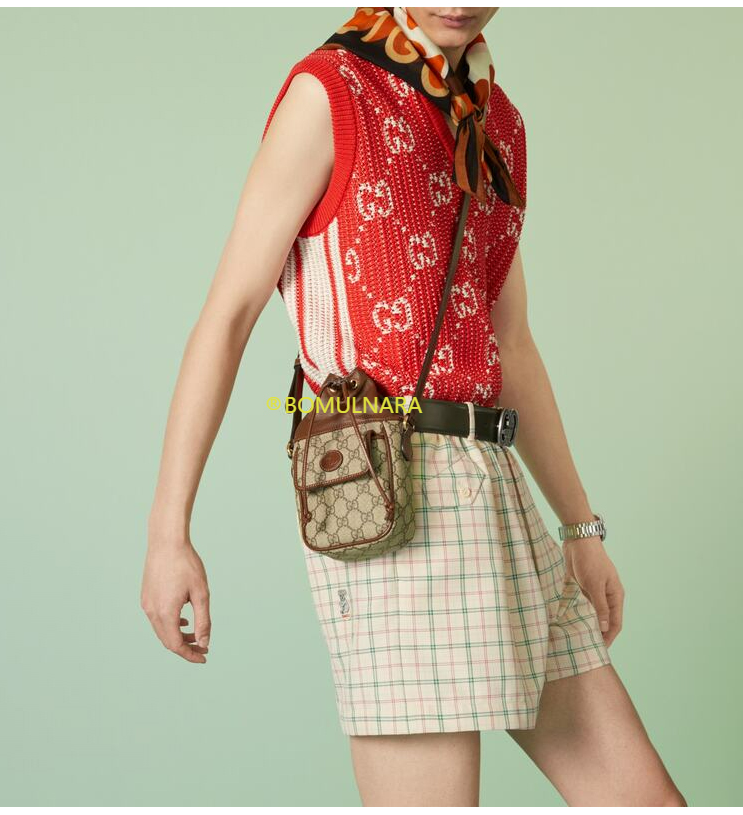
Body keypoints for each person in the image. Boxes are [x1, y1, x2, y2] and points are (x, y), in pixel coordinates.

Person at [141, 6, 686, 807]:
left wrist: (580, 526)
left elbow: (512, 344)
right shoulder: (331, 92)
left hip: (496, 485)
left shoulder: (496, 120)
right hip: (387, 496)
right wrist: (168, 532)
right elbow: (228, 314)